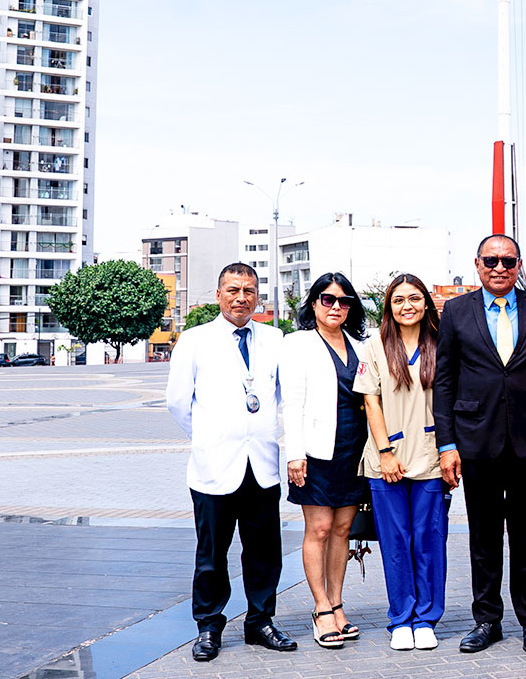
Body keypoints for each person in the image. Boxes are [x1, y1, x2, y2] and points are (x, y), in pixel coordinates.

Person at [165, 262, 298, 661]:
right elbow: (177, 402)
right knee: (211, 554)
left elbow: (285, 397)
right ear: (218, 294)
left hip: (261, 465)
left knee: (264, 552)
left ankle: (260, 621)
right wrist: (208, 436)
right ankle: (208, 626)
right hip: (213, 467)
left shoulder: (276, 338)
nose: (242, 298)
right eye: (233, 290)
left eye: (249, 291)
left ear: (258, 295)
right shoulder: (194, 339)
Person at [434, 234, 526, 655]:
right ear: (477, 264)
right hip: (475, 441)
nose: (500, 268)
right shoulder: (457, 311)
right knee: (482, 537)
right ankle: (487, 620)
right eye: (491, 260)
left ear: (519, 265)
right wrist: (447, 443)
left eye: (508, 260)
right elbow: (444, 381)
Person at [356, 274, 450, 651]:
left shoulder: (442, 345)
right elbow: (370, 401)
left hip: (430, 456)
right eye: (398, 300)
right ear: (389, 307)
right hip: (387, 460)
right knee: (396, 541)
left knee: (429, 540)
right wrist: (384, 452)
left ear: (426, 303)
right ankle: (401, 618)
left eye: (414, 298)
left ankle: (426, 617)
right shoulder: (375, 346)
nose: (407, 306)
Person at [281, 273, 370, 647]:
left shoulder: (360, 345)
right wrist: (295, 453)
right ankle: (320, 610)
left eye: (344, 301)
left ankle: (337, 604)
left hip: (355, 450)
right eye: (328, 299)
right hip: (316, 452)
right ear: (314, 303)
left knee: (342, 531)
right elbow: (292, 403)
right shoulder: (298, 344)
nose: (336, 307)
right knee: (318, 530)